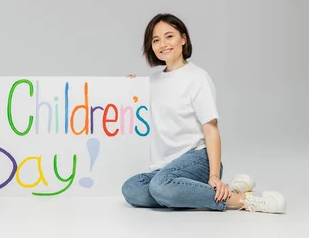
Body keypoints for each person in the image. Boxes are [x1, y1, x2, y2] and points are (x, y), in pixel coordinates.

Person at [121, 13, 286, 213]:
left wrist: (214, 175)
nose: (162, 44)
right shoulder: (152, 81)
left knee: (160, 187)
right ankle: (216, 191)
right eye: (156, 40)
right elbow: (137, 108)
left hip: (198, 159)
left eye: (169, 36)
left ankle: (240, 200)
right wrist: (129, 87)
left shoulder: (197, 78)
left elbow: (211, 130)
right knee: (131, 189)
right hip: (165, 166)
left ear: (183, 39)